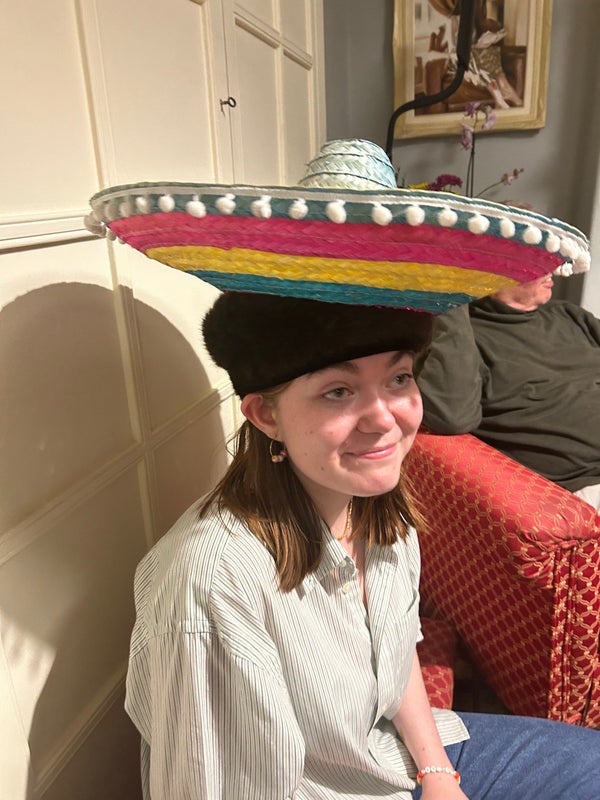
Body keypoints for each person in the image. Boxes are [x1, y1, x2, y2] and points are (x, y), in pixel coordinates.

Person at [85, 139, 596, 799]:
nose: (386, 419)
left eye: (399, 378)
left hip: (391, 758)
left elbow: (396, 659)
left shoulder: (380, 510)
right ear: (265, 414)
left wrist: (438, 774)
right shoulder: (211, 584)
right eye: (337, 391)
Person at [416, 272, 600, 510]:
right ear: (492, 276)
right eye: (536, 261)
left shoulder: (569, 315)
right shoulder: (466, 336)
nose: (553, 268)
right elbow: (452, 416)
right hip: (584, 484)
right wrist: (451, 300)